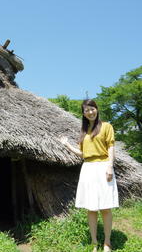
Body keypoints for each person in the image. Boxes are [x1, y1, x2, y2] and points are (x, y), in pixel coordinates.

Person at [60, 99, 119, 252]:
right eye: (87, 110)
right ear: (83, 113)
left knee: (105, 208)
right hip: (87, 168)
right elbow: (82, 154)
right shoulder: (84, 132)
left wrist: (110, 167)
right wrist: (67, 145)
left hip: (103, 165)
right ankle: (94, 243)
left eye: (92, 109)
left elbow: (111, 147)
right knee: (91, 208)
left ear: (96, 109)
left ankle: (107, 242)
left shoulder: (106, 126)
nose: (90, 112)